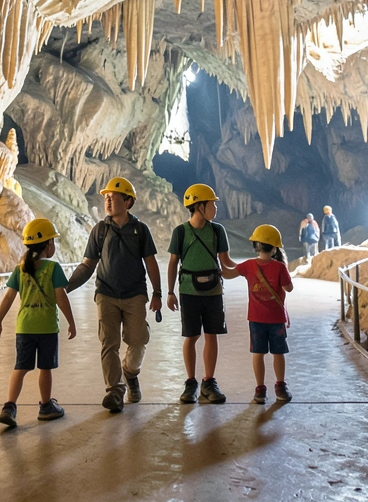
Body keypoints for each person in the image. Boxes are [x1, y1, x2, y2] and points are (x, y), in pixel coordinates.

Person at [66, 176, 163, 413]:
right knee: (109, 343)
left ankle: (130, 373)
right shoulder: (100, 230)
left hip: (135, 294)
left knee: (138, 341)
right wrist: (66, 287)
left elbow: (151, 262)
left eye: (113, 197)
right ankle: (115, 392)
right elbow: (88, 265)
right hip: (106, 294)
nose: (108, 202)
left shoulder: (140, 230)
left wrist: (158, 293)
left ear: (128, 202)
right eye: (106, 197)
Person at [0, 218, 76, 428]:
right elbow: (61, 298)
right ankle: (46, 406)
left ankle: (9, 407)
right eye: (53, 242)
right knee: (45, 368)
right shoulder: (53, 268)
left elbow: (8, 297)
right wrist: (71, 323)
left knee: (20, 367)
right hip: (47, 328)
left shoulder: (20, 269)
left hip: (25, 327)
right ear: (48, 245)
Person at [167, 183, 237, 404]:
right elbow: (172, 263)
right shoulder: (180, 232)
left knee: (211, 334)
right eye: (212, 204)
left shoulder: (218, 231)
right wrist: (169, 292)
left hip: (214, 290)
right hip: (188, 290)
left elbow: (226, 262)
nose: (215, 209)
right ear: (198, 206)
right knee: (191, 336)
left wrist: (248, 270)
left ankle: (209, 382)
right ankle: (190, 383)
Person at [222, 224, 294, 404]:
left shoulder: (248, 265)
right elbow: (289, 288)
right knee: (278, 353)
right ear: (275, 247)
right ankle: (281, 387)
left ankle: (260, 391)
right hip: (276, 319)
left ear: (256, 246)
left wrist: (216, 260)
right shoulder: (279, 267)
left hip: (255, 319)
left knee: (258, 353)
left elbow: (228, 273)